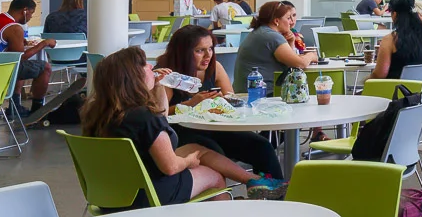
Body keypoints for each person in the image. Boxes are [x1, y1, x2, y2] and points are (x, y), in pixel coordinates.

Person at [80, 47, 278, 206]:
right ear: (133, 78)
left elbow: (161, 118)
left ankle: (252, 179)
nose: (151, 66)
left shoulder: (98, 113)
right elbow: (171, 167)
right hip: (147, 194)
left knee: (196, 148)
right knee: (214, 177)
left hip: (109, 193)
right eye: (144, 65)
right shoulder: (144, 117)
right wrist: (189, 161)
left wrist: (158, 85)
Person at [153, 25, 286, 181]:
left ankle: (273, 190)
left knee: (262, 146)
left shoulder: (214, 68)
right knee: (215, 151)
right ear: (183, 52)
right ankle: (252, 184)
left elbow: (232, 98)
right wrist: (191, 104)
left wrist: (224, 99)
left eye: (210, 48)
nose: (207, 55)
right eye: (199, 50)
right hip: (180, 132)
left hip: (215, 127)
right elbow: (159, 115)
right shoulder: (168, 75)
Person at [233, 1, 317, 92]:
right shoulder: (272, 36)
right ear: (276, 21)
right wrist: (311, 55)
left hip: (248, 91)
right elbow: (300, 64)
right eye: (288, 18)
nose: (291, 22)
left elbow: (289, 61)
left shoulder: (261, 31)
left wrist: (291, 42)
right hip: (261, 94)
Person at [370, 0, 422, 79]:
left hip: (398, 86)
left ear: (394, 14)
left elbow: (380, 74)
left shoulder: (391, 39)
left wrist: (365, 81)